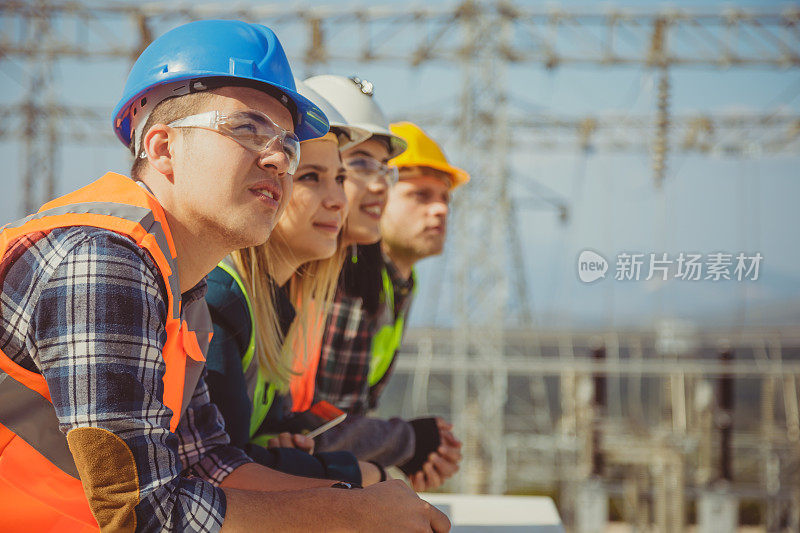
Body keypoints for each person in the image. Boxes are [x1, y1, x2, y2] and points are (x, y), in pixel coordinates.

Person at [0, 20, 450, 533]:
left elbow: (207, 462)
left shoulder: (180, 286)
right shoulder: (101, 262)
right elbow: (145, 513)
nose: (278, 157)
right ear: (164, 147)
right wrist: (351, 512)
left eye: (287, 142)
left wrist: (361, 497)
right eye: (246, 128)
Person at [204, 80, 385, 486]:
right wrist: (357, 475)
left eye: (339, 178)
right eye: (310, 178)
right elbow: (221, 469)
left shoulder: (275, 304)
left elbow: (248, 442)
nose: (339, 200)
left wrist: (277, 443)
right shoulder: (221, 297)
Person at [302, 76, 465, 491]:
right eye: (421, 196)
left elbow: (342, 415)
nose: (439, 211)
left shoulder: (396, 283)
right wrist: (403, 445)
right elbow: (320, 424)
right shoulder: (351, 277)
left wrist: (394, 451)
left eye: (445, 198)